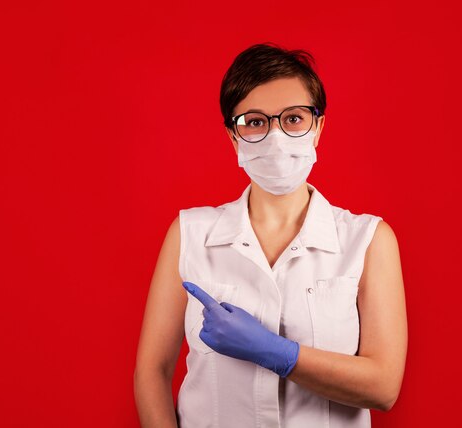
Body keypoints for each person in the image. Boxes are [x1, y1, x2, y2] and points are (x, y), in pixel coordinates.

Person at [133, 42, 407, 428]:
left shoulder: (368, 240)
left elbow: (383, 387)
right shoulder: (190, 234)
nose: (276, 136)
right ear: (234, 136)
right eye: (255, 121)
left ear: (318, 127)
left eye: (294, 118)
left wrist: (274, 351)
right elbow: (152, 372)